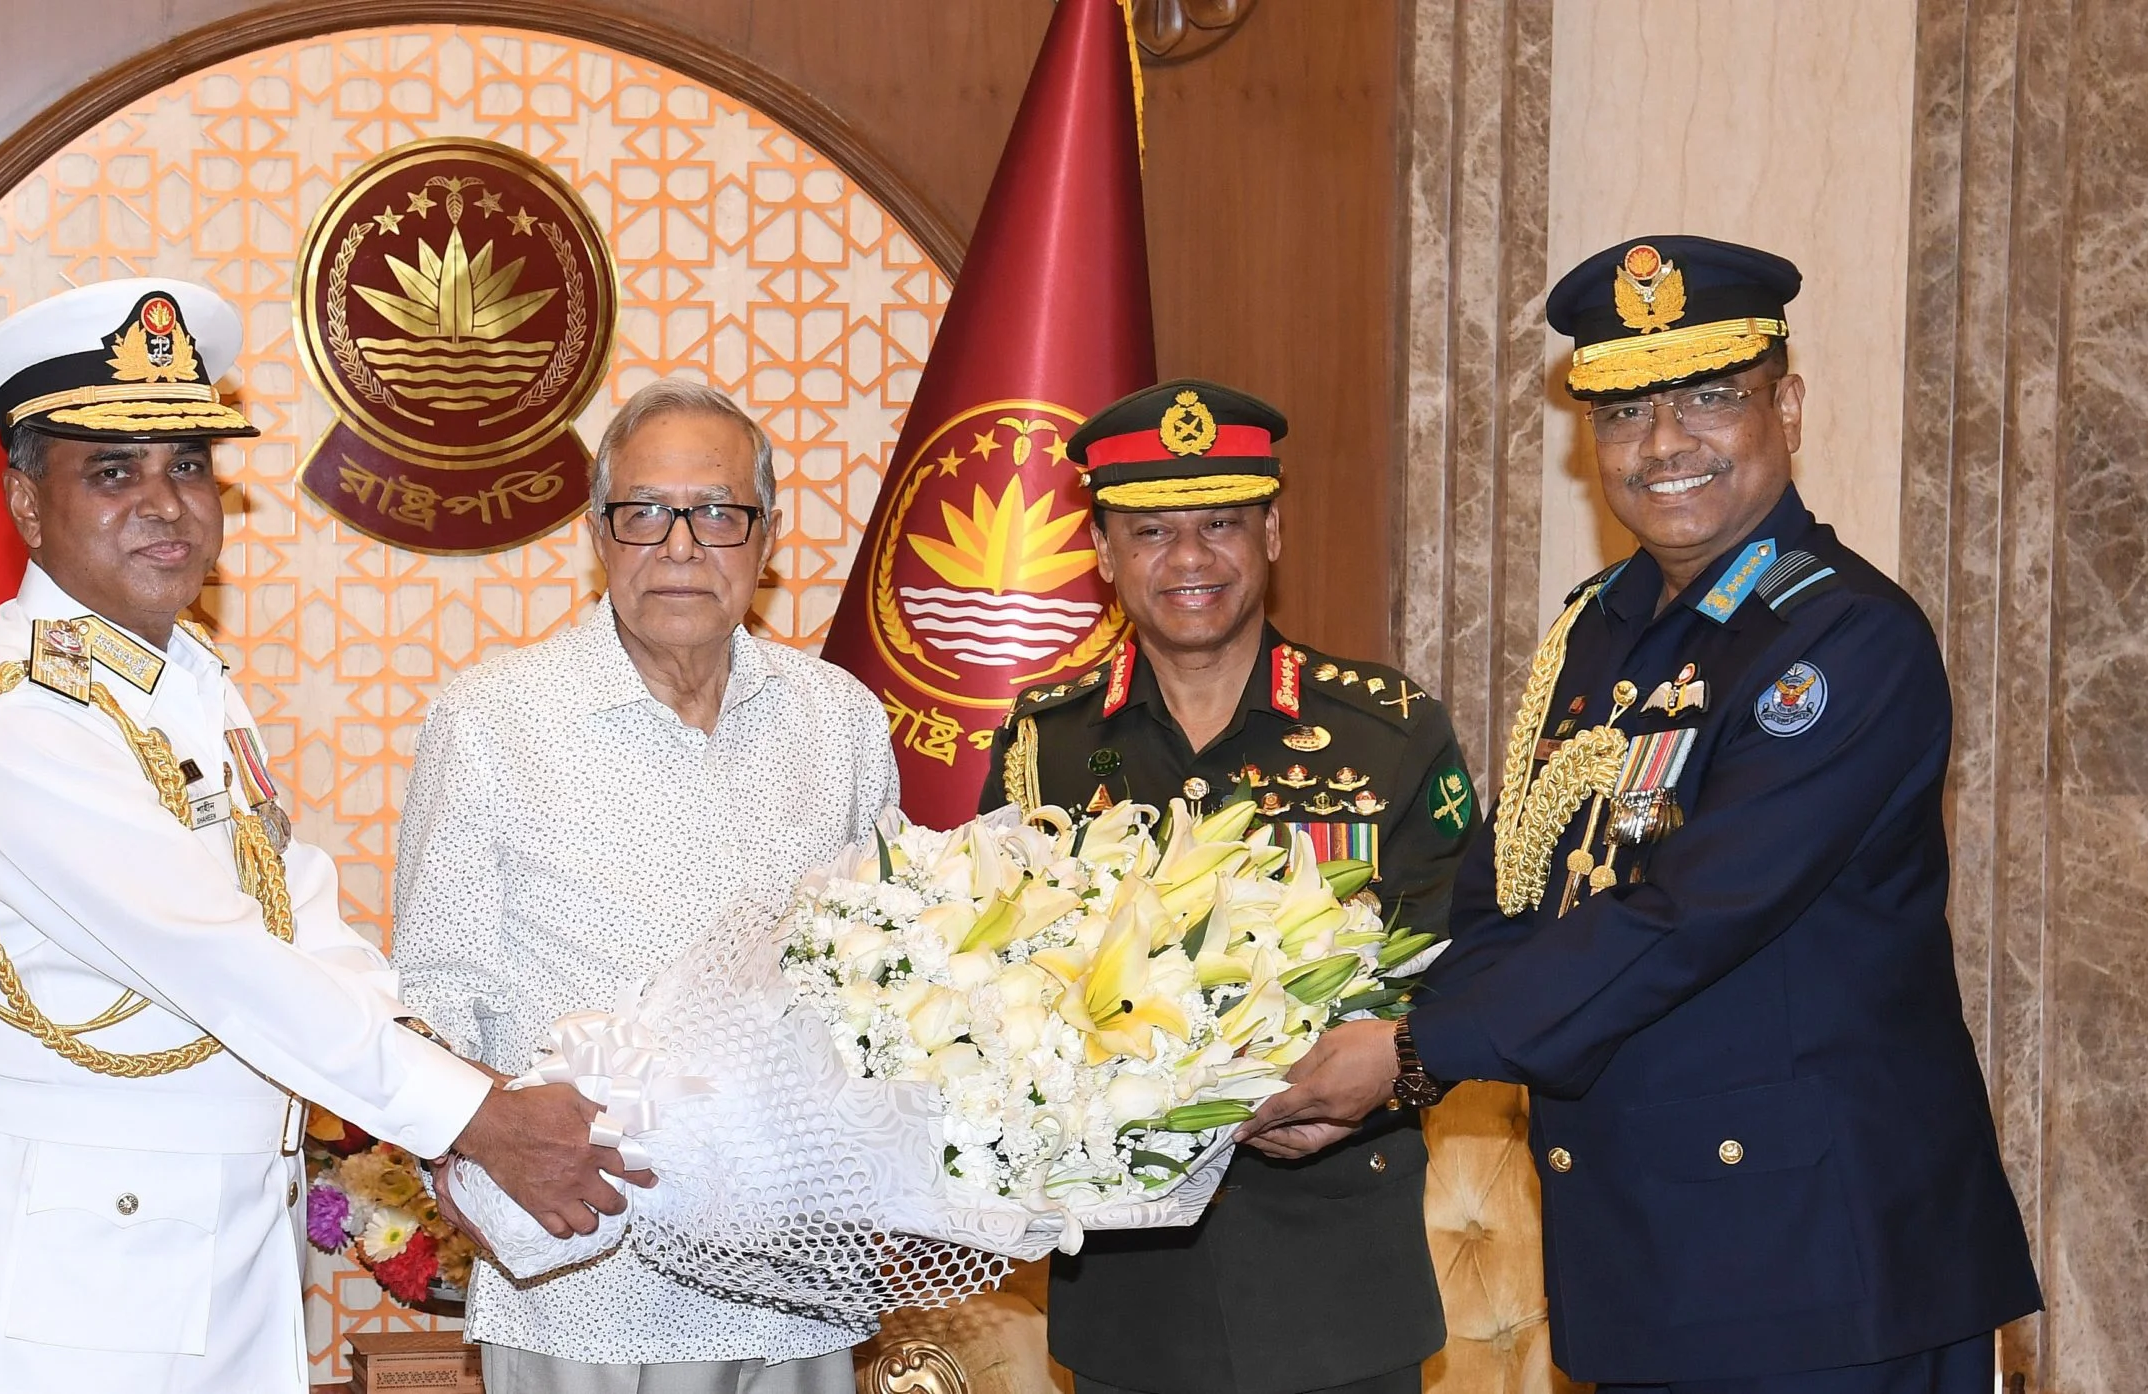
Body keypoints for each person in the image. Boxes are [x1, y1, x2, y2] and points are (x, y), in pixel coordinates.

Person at [1242, 238, 2043, 1392]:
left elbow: (1690, 914)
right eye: (1622, 412)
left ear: (1787, 408)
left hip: (1821, 1271)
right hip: (1645, 1254)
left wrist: (1410, 1054)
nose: (1663, 443)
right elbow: (1509, 894)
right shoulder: (1598, 630)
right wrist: (1365, 1053)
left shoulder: (1841, 640)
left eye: (1709, 397)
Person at [0, 278, 638, 1394]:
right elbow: (225, 963)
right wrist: (472, 1118)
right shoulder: (24, 720)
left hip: (216, 1253)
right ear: (27, 503)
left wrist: (446, 1069)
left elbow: (296, 911)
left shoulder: (185, 681)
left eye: (189, 465)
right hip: (73, 1283)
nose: (167, 503)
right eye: (113, 472)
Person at [392, 378, 899, 1394]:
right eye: (644, 512)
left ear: (766, 538)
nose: (679, 546)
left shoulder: (838, 718)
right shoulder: (492, 718)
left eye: (716, 512)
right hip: (586, 1275)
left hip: (799, 1272)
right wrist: (456, 1157)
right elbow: (434, 984)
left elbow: (889, 967)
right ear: (598, 534)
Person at [977, 379, 1470, 1394]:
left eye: (1221, 524)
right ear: (1102, 550)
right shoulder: (1043, 744)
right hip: (1133, 1291)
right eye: (1151, 531)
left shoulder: (1387, 729)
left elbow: (1464, 961)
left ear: (1272, 533)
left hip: (1339, 1276)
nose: (1190, 559)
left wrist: (1388, 1079)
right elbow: (994, 977)